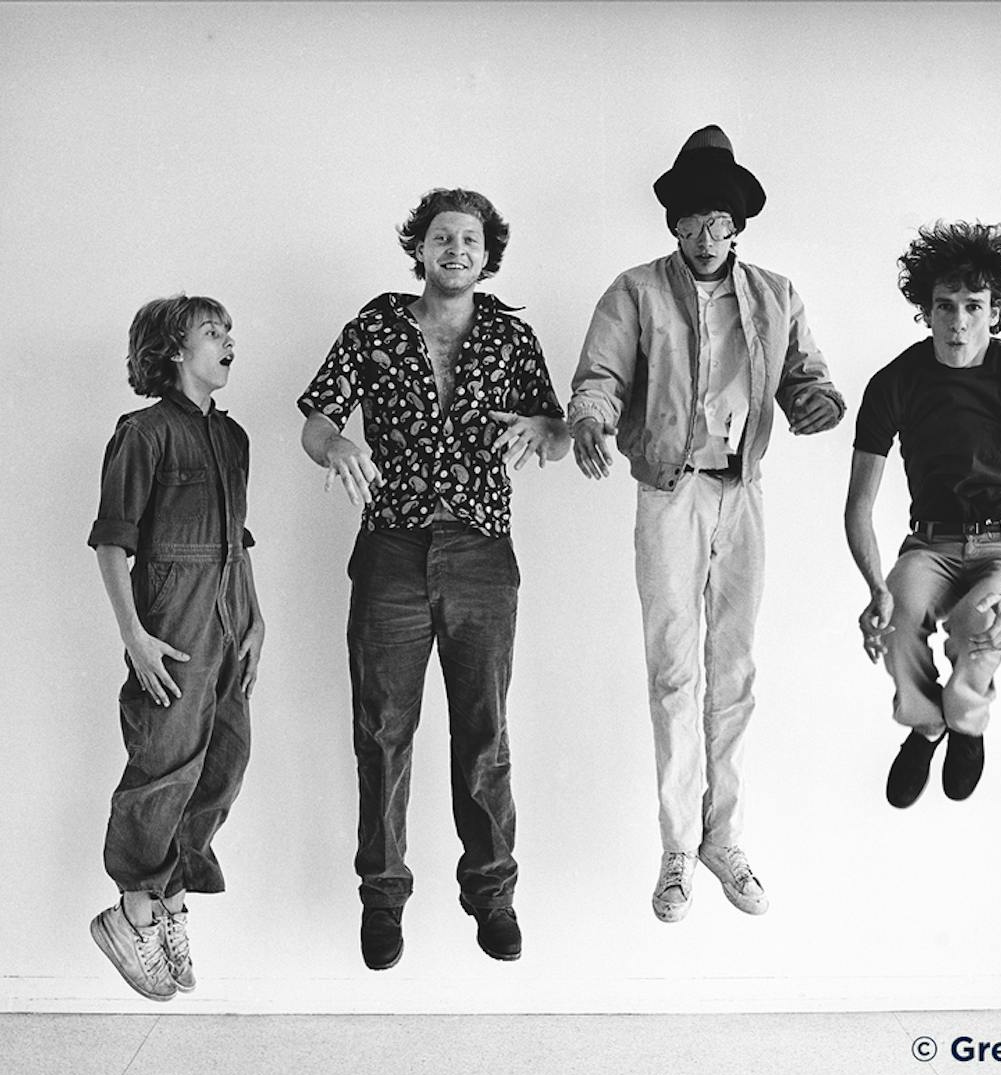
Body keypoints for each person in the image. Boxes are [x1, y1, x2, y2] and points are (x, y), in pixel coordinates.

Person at [569, 126, 845, 923]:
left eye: (717, 217)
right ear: (674, 225)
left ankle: (725, 839)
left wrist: (819, 405)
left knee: (736, 669)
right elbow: (600, 376)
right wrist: (590, 419)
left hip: (742, 491)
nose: (703, 231)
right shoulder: (634, 291)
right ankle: (676, 848)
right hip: (669, 493)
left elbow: (806, 379)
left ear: (738, 224)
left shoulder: (777, 295)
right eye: (689, 217)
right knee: (672, 671)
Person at [298, 188, 568, 970]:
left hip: (482, 550)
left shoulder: (513, 338)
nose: (457, 249)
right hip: (390, 549)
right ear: (419, 249)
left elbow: (551, 430)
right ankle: (382, 899)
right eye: (443, 237)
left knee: (484, 731)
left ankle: (492, 895)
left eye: (472, 240)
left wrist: (544, 431)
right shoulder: (376, 324)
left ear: (489, 256)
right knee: (382, 733)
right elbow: (319, 418)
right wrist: (335, 447)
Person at [843, 221, 1001, 808]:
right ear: (925, 310)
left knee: (983, 621)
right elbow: (860, 504)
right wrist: (875, 587)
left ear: (996, 311)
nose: (958, 322)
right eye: (944, 306)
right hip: (932, 544)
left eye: (974, 306)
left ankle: (966, 723)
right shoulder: (894, 382)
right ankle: (925, 726)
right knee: (898, 617)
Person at [87, 294, 265, 1000]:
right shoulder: (143, 433)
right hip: (171, 614)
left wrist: (257, 617)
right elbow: (110, 540)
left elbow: (239, 540)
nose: (228, 341)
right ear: (172, 350)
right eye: (212, 332)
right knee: (165, 760)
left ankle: (167, 897)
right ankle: (134, 908)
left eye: (230, 330)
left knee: (223, 758)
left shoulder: (234, 438)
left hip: (230, 611)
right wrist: (135, 637)